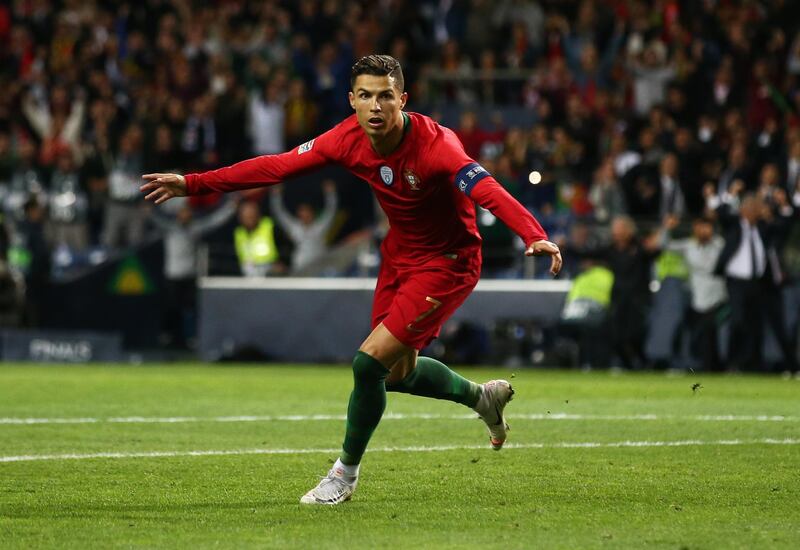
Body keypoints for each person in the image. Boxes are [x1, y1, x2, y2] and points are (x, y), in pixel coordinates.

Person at [141, 55, 561, 505]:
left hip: (448, 260)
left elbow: (486, 188)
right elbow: (276, 166)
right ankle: (482, 399)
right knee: (398, 374)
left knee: (368, 364)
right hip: (399, 257)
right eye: (365, 96)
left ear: (403, 99)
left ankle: (344, 474)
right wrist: (194, 183)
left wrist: (533, 233)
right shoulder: (346, 138)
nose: (375, 107)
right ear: (352, 101)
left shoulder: (438, 146)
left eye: (385, 96)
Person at [661, 215, 727, 371]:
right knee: (691, 332)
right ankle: (687, 363)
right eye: (699, 227)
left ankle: (710, 366)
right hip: (697, 298)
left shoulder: (720, 244)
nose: (703, 231)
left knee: (709, 332)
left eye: (706, 226)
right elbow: (664, 245)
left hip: (718, 298)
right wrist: (667, 228)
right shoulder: (688, 245)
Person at [269, 180, 338, 274]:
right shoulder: (294, 227)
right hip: (300, 268)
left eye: (307, 212)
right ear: (299, 214)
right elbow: (279, 213)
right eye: (302, 212)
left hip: (319, 268)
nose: (305, 215)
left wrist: (331, 194)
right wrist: (276, 196)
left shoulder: (320, 226)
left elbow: (331, 211)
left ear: (312, 213)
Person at [233, 200, 280, 277]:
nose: (249, 218)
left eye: (251, 214)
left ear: (258, 214)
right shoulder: (238, 233)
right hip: (247, 276)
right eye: (245, 216)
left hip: (271, 273)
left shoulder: (270, 226)